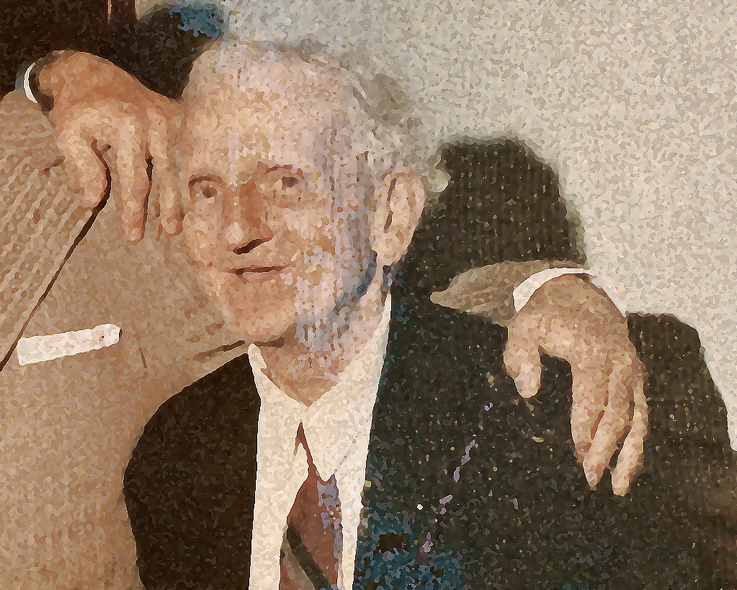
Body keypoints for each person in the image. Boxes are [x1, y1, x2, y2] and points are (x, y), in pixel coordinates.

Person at [30, 39, 725, 588]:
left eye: (285, 182)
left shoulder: (557, 419)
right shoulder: (173, 455)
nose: (238, 231)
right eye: (208, 190)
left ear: (390, 214)